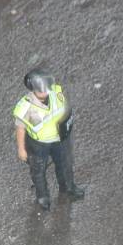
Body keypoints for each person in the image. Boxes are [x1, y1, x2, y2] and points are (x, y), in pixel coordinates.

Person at [12, 69, 85, 211]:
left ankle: (68, 188)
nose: (45, 92)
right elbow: (20, 128)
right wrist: (21, 148)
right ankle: (42, 196)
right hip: (39, 144)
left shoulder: (56, 91)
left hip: (59, 138)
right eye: (41, 91)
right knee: (38, 169)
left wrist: (68, 126)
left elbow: (65, 108)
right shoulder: (25, 107)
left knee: (64, 164)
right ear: (32, 90)